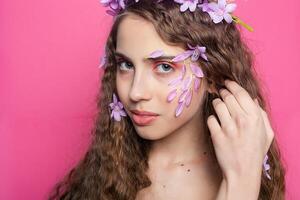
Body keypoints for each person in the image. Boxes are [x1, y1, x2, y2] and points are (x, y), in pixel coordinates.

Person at [48, 0, 285, 199]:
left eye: (164, 66)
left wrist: (243, 176)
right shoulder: (109, 170)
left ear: (213, 75)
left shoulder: (247, 170)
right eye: (126, 65)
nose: (135, 92)